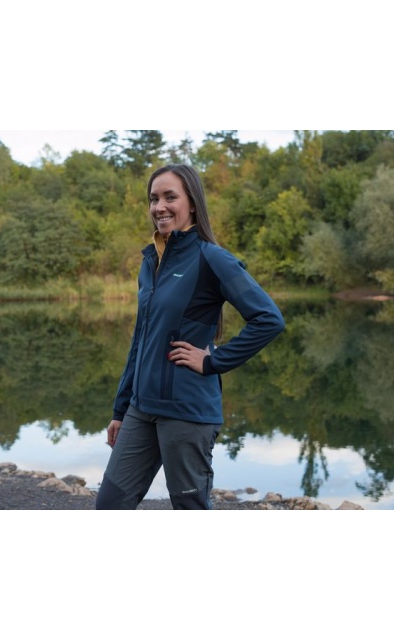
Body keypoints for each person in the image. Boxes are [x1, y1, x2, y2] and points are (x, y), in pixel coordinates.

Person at [95, 164, 285, 510]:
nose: (160, 207)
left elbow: (268, 319)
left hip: (187, 412)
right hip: (141, 408)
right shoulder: (150, 261)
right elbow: (141, 341)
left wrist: (213, 361)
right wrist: (120, 409)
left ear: (193, 203)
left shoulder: (212, 258)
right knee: (109, 504)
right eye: (154, 199)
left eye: (170, 197)